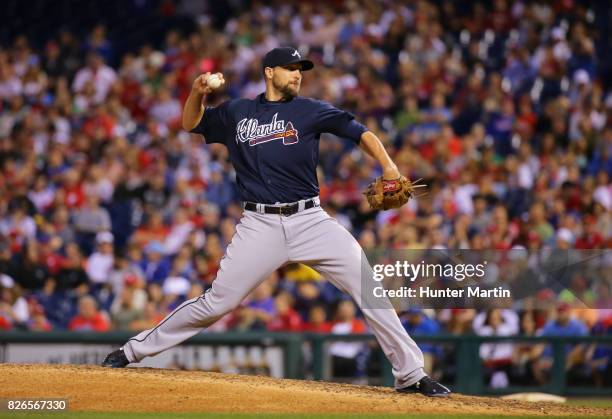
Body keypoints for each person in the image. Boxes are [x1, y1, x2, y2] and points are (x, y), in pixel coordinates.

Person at [102, 47, 450, 397]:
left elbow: (359, 132)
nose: (297, 74)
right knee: (217, 302)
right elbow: (191, 123)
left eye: (300, 69)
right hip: (260, 224)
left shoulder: (310, 110)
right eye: (290, 68)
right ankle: (133, 351)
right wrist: (196, 93)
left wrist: (389, 166)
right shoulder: (238, 112)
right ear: (269, 72)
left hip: (311, 220)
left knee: (368, 286)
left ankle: (410, 374)